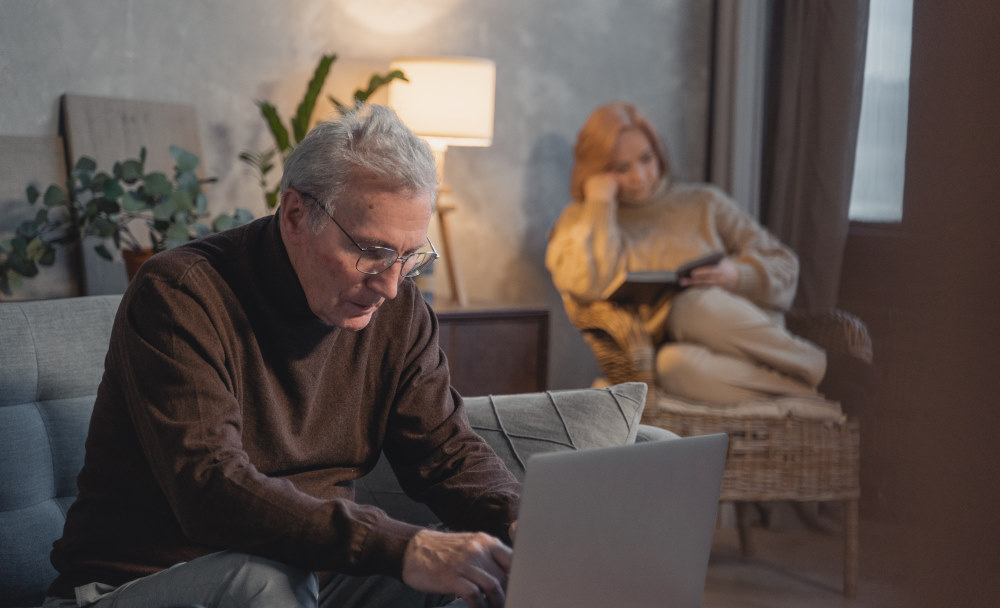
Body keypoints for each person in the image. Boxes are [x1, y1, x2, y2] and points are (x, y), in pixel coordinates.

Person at [44, 105, 519, 608]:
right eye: (373, 251)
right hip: (139, 586)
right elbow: (211, 489)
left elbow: (446, 456)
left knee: (476, 569)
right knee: (262, 579)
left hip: (309, 583)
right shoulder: (181, 294)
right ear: (295, 215)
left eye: (410, 256)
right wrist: (402, 546)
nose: (390, 285)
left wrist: (523, 524)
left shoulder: (397, 313)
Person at [546, 101, 832, 407]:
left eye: (646, 159)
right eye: (622, 168)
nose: (640, 176)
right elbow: (589, 282)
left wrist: (736, 275)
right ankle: (811, 391)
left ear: (659, 153)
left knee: (690, 303)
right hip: (671, 356)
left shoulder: (703, 202)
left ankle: (813, 364)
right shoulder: (581, 221)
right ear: (598, 170)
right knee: (670, 365)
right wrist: (600, 207)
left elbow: (783, 262)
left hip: (752, 347)